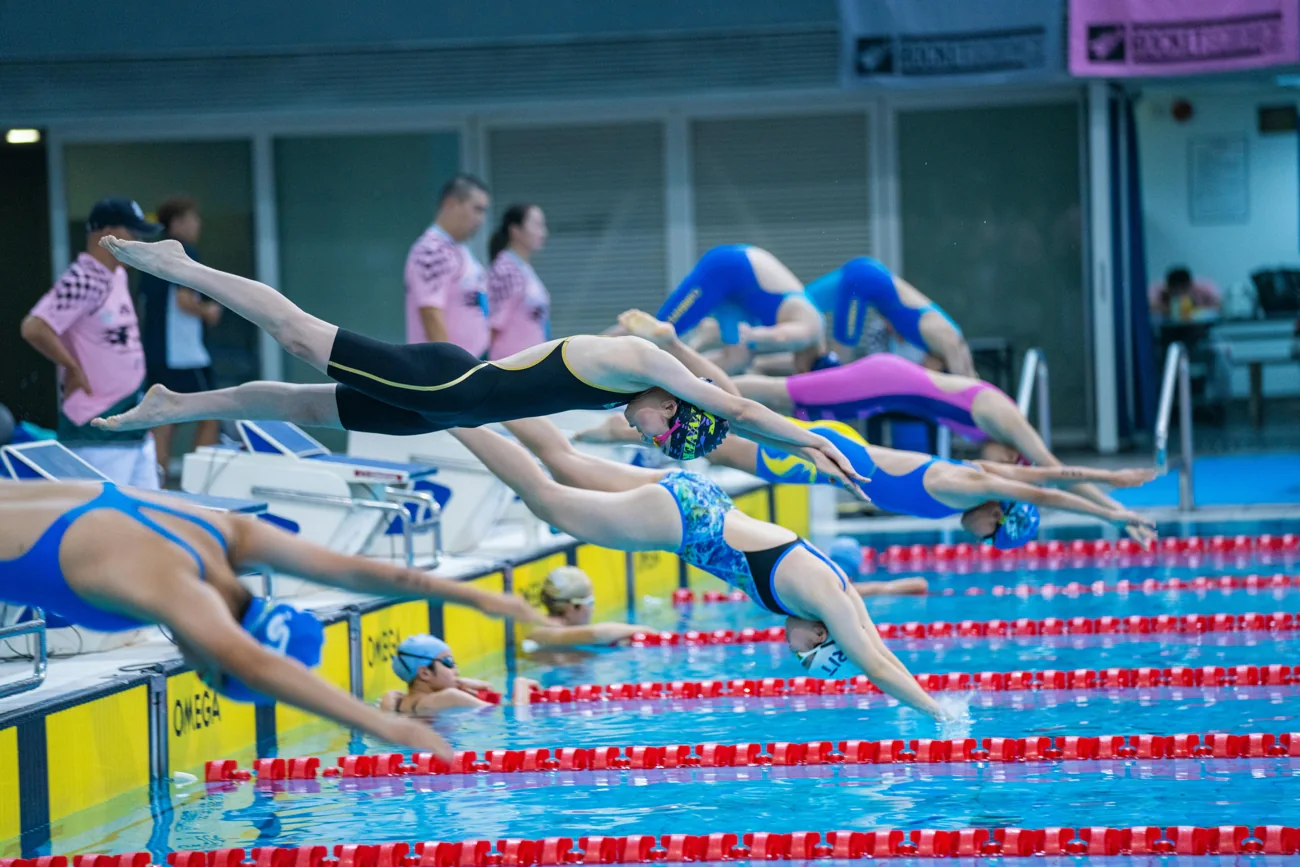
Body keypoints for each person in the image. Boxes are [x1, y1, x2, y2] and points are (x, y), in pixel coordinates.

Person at [90, 237, 868, 494]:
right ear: (673, 405)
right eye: (659, 434)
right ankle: (183, 265)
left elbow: (716, 403)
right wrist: (809, 440)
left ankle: (176, 405)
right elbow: (735, 405)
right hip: (446, 382)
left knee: (305, 405)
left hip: (445, 408)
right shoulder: (639, 361)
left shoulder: (637, 389)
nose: (644, 436)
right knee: (298, 335)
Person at [452, 419, 952, 725]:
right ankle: (456, 418)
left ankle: (481, 395)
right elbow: (875, 665)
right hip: (686, 523)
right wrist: (939, 713)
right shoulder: (825, 599)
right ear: (822, 635)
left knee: (567, 463)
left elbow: (879, 649)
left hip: (699, 497)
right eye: (806, 655)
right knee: (547, 498)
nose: (793, 651)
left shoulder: (837, 594)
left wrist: (925, 692)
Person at [0, 478, 547, 753]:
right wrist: (384, 726)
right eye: (210, 673)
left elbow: (354, 570)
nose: (196, 665)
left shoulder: (221, 532)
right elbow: (257, 665)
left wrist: (477, 598)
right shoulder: (175, 588)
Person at [579, 313, 1157, 546]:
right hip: (839, 447)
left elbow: (1040, 479)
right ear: (999, 513)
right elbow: (1045, 485)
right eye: (992, 535)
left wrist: (1111, 494)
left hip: (837, 457)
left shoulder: (970, 481)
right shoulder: (969, 486)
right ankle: (645, 379)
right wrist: (1113, 509)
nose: (982, 539)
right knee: (728, 419)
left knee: (728, 417)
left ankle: (618, 410)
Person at [20, 198, 163, 488]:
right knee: (104, 511)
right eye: (132, 232)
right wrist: (71, 366)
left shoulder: (117, 275)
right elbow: (35, 326)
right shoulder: (85, 277)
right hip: (97, 428)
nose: (137, 241)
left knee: (149, 509)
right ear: (107, 232)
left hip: (131, 423)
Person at [138, 196, 223, 483]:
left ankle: (155, 486)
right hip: (185, 357)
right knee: (212, 416)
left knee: (164, 422)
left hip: (156, 354)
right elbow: (184, 300)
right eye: (192, 219)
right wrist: (208, 311)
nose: (198, 225)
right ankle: (199, 487)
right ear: (177, 222)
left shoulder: (151, 255)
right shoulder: (184, 252)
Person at [654, 245, 830, 374]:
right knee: (658, 332)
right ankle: (638, 352)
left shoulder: (814, 340)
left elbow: (777, 357)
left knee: (738, 359)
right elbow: (781, 336)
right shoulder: (809, 333)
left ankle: (669, 379)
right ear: (807, 369)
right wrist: (753, 335)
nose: (796, 371)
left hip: (740, 296)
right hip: (728, 268)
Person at [805, 257, 974, 376]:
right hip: (864, 280)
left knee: (800, 304)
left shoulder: (939, 339)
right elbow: (966, 384)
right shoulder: (948, 340)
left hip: (866, 272)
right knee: (838, 361)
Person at [406, 175, 492, 358]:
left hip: (470, 363)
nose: (481, 219)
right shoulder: (432, 249)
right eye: (477, 209)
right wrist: (450, 366)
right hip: (450, 368)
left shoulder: (459, 248)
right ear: (450, 204)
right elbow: (430, 313)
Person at [381, 634, 538, 715]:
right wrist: (521, 683)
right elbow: (513, 715)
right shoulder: (450, 697)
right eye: (449, 663)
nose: (456, 671)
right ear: (425, 673)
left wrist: (460, 684)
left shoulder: (393, 701)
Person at [521, 566, 644, 649]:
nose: (592, 610)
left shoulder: (548, 630)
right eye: (590, 603)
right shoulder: (540, 632)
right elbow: (594, 634)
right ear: (572, 607)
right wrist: (644, 630)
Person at [487, 204, 551, 361]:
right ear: (515, 230)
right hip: (511, 364)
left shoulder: (523, 268)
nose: (543, 233)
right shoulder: (505, 270)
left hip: (530, 362)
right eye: (537, 225)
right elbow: (492, 326)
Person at [1149, 266, 1221, 320]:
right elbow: (1149, 305)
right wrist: (1169, 310)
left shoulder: (1205, 288)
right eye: (1176, 291)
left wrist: (1196, 310)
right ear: (1168, 288)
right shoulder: (1158, 289)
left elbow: (1219, 304)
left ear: (1190, 285)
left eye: (1183, 289)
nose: (1180, 294)